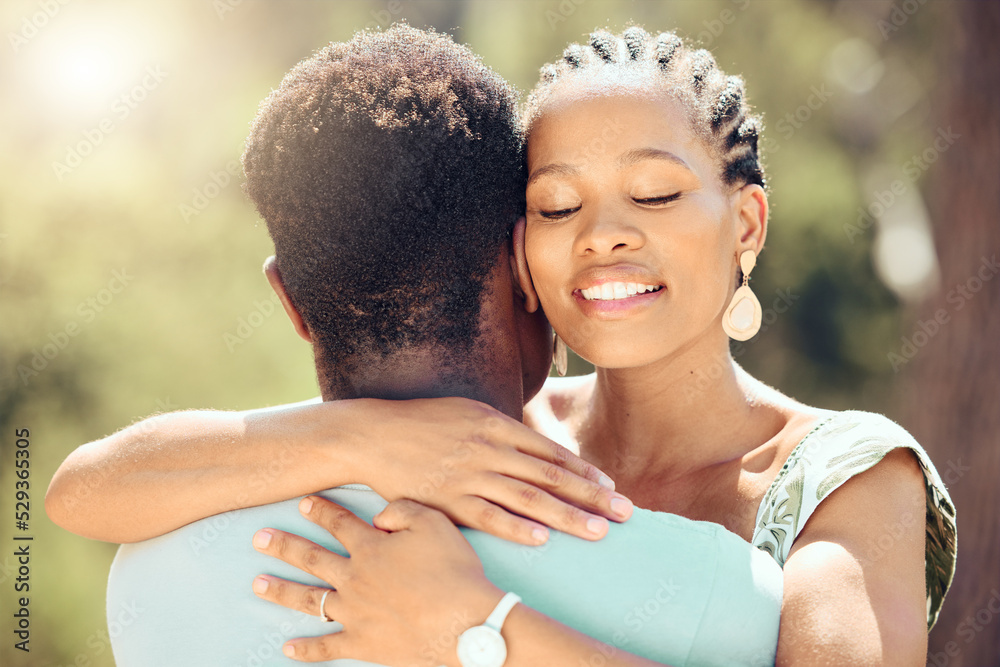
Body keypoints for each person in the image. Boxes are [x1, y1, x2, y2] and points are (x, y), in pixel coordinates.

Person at [48, 24, 957, 666]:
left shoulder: (848, 476)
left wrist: (481, 629)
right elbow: (84, 488)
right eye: (558, 205)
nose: (603, 235)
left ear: (747, 224)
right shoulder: (485, 430)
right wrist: (362, 437)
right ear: (518, 252)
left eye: (654, 194)